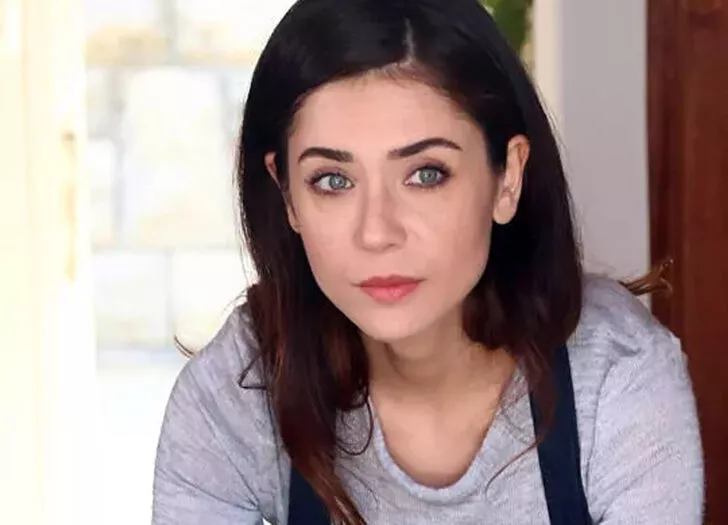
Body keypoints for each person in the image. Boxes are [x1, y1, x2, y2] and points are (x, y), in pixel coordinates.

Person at [151, 0, 704, 523]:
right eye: (333, 181)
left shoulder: (618, 379)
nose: (377, 233)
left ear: (507, 178)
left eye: (426, 174)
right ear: (287, 195)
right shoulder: (237, 396)